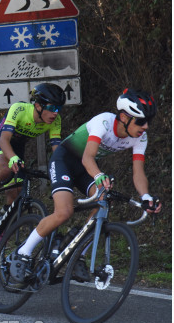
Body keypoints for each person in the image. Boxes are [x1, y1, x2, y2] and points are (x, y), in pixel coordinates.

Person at [9, 89, 162, 283]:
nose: (146, 126)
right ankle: (23, 253)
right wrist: (98, 175)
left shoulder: (140, 137)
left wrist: (146, 197)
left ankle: (76, 250)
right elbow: (88, 156)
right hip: (65, 159)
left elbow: (138, 171)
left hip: (84, 169)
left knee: (103, 202)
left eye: (149, 121)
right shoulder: (104, 122)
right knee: (63, 212)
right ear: (124, 117)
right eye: (141, 121)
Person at [0, 83, 66, 232]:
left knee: (16, 192)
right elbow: (4, 140)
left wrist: (61, 170)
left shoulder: (55, 121)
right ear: (38, 106)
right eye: (52, 108)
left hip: (16, 148)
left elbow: (57, 150)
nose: (55, 113)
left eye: (59, 109)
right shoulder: (19, 109)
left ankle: (0, 230)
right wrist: (12, 158)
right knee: (6, 169)